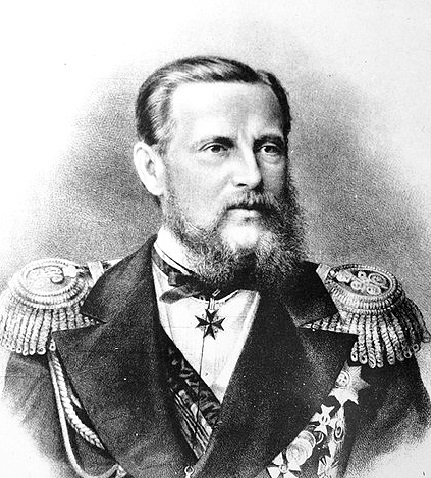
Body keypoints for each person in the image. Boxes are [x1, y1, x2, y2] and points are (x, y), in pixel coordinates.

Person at [0, 56, 430, 478]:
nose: (252, 175)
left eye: (268, 148)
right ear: (152, 169)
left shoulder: (363, 325)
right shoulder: (61, 321)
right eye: (217, 148)